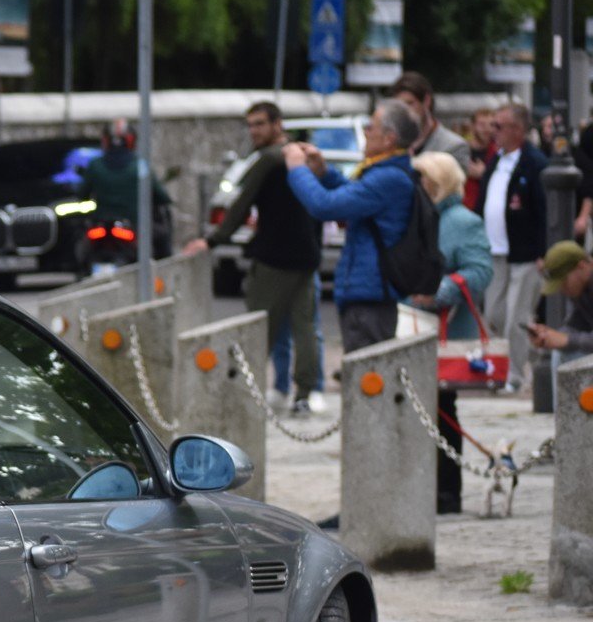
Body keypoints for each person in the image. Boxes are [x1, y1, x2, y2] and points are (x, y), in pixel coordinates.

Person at [183, 101, 325, 412]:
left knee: (258, 330)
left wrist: (213, 240)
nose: (254, 131)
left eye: (260, 124)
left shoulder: (268, 160)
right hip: (307, 255)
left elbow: (241, 204)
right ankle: (305, 394)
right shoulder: (303, 156)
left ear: (278, 123)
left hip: (274, 256)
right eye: (250, 125)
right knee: (305, 328)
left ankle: (246, 393)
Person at [284, 98, 420, 352]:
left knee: (366, 380)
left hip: (371, 295)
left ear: (389, 138)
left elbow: (325, 206)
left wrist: (297, 170)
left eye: (371, 127)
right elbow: (354, 197)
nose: (366, 132)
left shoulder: (388, 178)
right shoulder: (387, 173)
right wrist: (324, 173)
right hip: (367, 291)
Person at [411, 152, 495, 514]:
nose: (415, 185)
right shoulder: (416, 215)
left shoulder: (463, 221)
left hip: (442, 329)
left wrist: (439, 292)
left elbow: (480, 271)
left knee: (443, 409)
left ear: (437, 181)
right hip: (410, 325)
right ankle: (423, 487)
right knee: (418, 409)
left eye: (422, 179)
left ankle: (447, 493)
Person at [478, 103, 548, 392]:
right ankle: (517, 357)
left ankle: (514, 376)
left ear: (517, 130)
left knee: (516, 319)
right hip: (496, 251)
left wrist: (543, 251)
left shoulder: (535, 163)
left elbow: (544, 211)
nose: (493, 132)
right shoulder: (496, 161)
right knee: (493, 315)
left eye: (499, 126)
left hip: (525, 253)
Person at [79, 118, 172, 249]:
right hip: (133, 227)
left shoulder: (95, 165)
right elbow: (162, 196)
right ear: (131, 140)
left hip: (101, 225)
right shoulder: (140, 166)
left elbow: (82, 194)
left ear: (105, 141)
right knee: (163, 241)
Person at [525, 240, 593, 363]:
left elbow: (570, 338)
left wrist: (566, 340)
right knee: (560, 352)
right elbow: (574, 325)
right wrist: (548, 335)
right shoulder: (581, 288)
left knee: (570, 352)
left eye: (564, 282)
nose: (562, 289)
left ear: (581, 266)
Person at [389, 72, 471, 171]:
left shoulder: (454, 146)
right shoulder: (393, 143)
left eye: (410, 103)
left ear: (427, 101)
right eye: (399, 106)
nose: (404, 111)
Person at [464, 108, 498, 211]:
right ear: (473, 126)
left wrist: (485, 174)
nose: (487, 129)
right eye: (482, 125)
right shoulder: (461, 151)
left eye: (491, 125)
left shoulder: (498, 152)